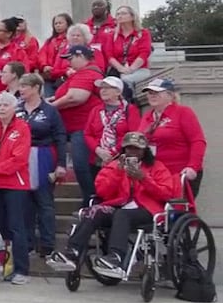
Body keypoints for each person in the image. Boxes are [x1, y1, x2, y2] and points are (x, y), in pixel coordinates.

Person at [47, 132, 177, 279]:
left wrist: (144, 178)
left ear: (144, 150)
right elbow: (102, 191)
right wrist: (118, 172)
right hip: (119, 205)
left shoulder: (157, 167)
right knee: (95, 210)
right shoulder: (114, 166)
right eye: (129, 148)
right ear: (124, 150)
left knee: (122, 215)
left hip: (147, 209)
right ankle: (73, 252)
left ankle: (116, 257)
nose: (133, 152)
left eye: (137, 149)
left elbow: (166, 193)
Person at [0, 92, 32, 284]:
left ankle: (21, 270)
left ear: (14, 108)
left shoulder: (22, 128)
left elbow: (19, 158)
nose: (1, 108)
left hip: (14, 184)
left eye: (5, 105)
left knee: (17, 227)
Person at [15, 73, 67, 257]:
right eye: (20, 86)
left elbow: (60, 136)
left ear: (36, 87)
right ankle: (28, 243)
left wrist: (61, 164)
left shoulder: (50, 111)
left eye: (24, 86)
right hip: (20, 157)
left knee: (44, 201)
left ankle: (48, 244)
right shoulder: (18, 109)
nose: (20, 89)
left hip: (43, 155)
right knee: (25, 203)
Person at [49, 45, 102, 207]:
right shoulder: (79, 74)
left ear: (81, 56)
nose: (68, 63)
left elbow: (76, 97)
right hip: (72, 128)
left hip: (84, 127)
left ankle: (92, 200)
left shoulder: (88, 73)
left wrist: (50, 107)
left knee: (82, 165)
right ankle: (91, 199)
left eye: (71, 58)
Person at [138, 79, 207, 197]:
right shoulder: (147, 117)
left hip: (178, 172)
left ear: (170, 95)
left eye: (156, 92)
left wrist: (193, 167)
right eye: (150, 93)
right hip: (156, 173)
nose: (152, 96)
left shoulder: (183, 112)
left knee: (176, 209)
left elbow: (197, 141)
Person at [84, 76, 141, 178]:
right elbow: (88, 133)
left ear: (118, 92)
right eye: (102, 88)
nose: (103, 90)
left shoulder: (130, 110)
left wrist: (111, 152)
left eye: (108, 87)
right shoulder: (96, 110)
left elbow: (133, 135)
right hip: (97, 158)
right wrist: (98, 150)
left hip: (121, 158)